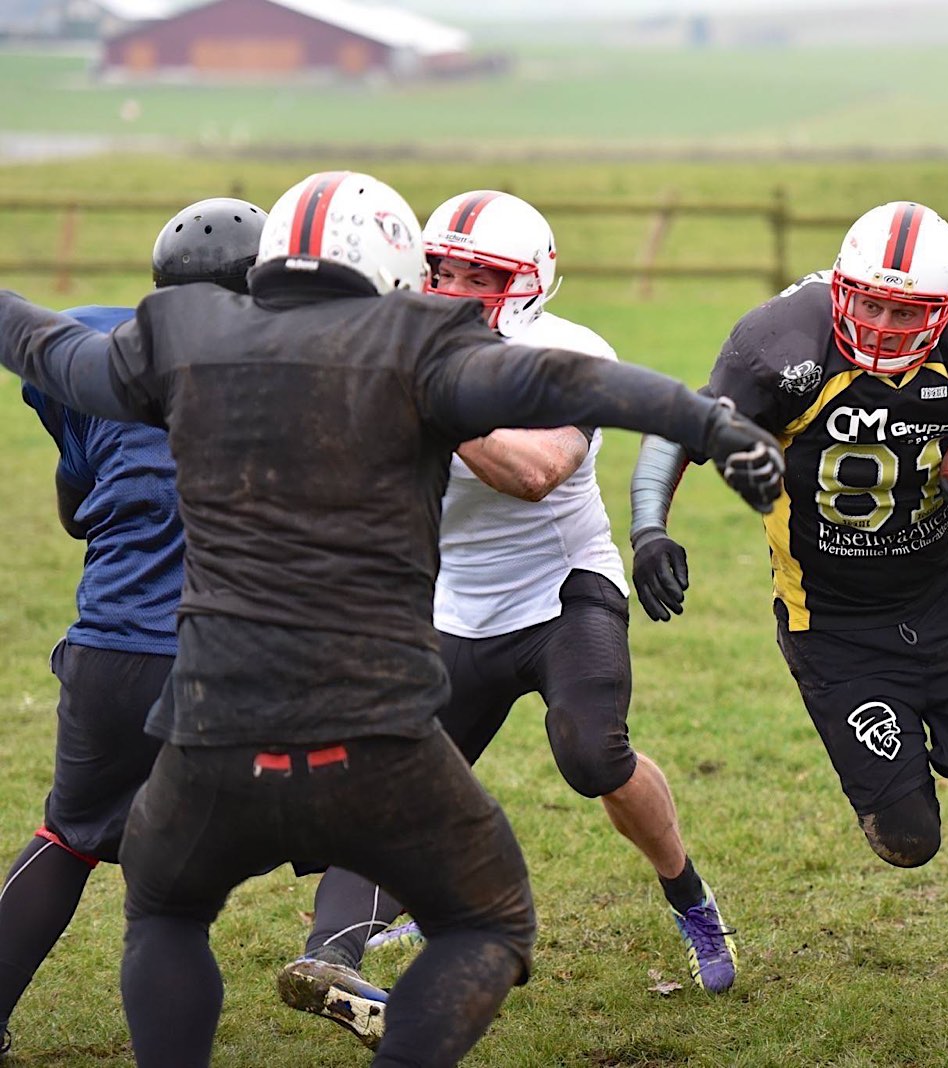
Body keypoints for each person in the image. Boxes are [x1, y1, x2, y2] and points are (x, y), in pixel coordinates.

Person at [0, 169, 784, 1068]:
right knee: (489, 919)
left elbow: (45, 347)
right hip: (364, 715)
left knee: (168, 914)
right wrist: (716, 427)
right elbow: (587, 385)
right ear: (403, 264)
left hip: (208, 722)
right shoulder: (418, 347)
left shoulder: (177, 335)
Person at [628, 201, 948, 1015]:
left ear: (946, 309)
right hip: (832, 622)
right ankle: (904, 765)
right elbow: (678, 427)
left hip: (946, 594)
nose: (887, 325)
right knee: (908, 840)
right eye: (872, 303)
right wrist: (651, 528)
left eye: (910, 311)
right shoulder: (781, 345)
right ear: (841, 286)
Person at [278, 190, 737, 1051]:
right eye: (438, 269)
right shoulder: (386, 345)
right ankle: (331, 958)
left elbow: (538, 470)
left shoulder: (563, 353)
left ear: (526, 286)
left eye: (476, 275)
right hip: (450, 606)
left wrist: (428, 398)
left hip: (560, 589)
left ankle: (689, 896)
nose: (450, 288)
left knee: (591, 753)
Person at [0, 197, 266, 1063]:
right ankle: (339, 946)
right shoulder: (296, 367)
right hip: (234, 665)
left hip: (110, 650)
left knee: (70, 834)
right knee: (381, 802)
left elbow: (79, 502)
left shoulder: (94, 346)